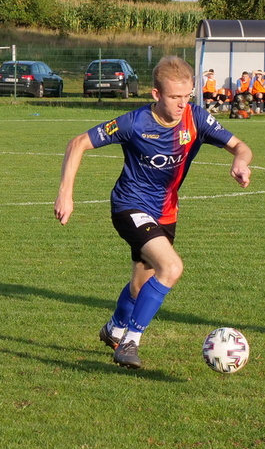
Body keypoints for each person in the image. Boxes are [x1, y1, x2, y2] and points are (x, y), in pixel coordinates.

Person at [55, 55, 253, 369]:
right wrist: (66, 194)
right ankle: (130, 342)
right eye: (175, 97)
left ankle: (114, 329)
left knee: (141, 284)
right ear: (156, 94)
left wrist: (239, 161)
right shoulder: (134, 122)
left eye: (187, 95)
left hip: (166, 213)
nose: (182, 103)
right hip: (129, 206)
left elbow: (241, 146)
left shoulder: (196, 118)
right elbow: (77, 143)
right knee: (171, 268)